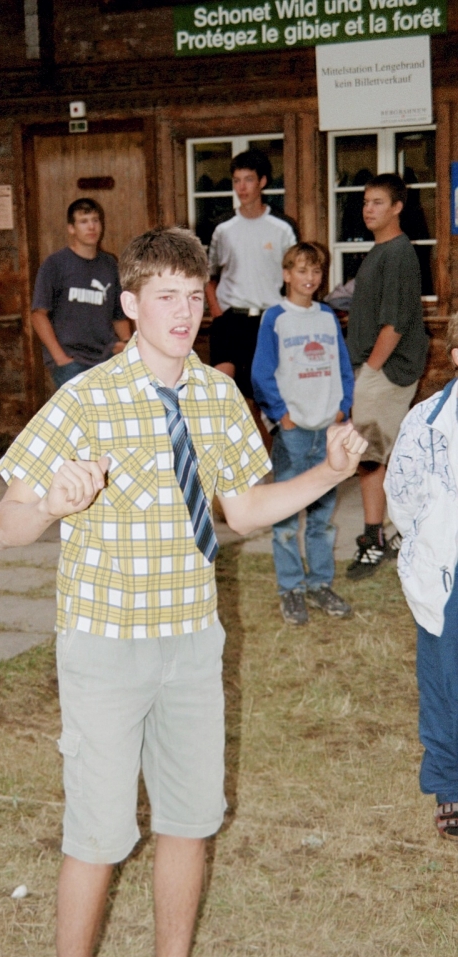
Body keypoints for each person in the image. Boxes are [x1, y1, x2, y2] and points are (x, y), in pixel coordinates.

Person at [0, 226, 367, 957]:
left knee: (189, 823)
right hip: (105, 646)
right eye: (166, 297)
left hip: (192, 642)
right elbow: (4, 527)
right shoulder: (85, 399)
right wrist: (50, 506)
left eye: (195, 297)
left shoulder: (218, 396)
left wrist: (328, 473)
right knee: (97, 837)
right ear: (130, 304)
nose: (185, 313)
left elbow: (243, 511)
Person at [252, 242, 355, 626]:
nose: (309, 278)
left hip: (328, 429)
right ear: (286, 274)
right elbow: (261, 373)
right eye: (301, 270)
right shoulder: (275, 318)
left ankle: (320, 583)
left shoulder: (327, 316)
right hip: (294, 432)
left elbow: (342, 367)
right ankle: (291, 589)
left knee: (322, 517)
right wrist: (282, 416)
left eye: (315, 271)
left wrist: (343, 407)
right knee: (285, 516)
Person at [385, 316, 458, 840]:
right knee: (443, 681)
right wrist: (432, 543)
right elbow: (402, 497)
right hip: (446, 569)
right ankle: (449, 780)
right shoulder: (426, 422)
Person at [345, 173, 429, 580]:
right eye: (365, 202)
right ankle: (391, 533)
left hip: (384, 371)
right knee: (377, 457)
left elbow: (395, 324)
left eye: (378, 202)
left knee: (369, 457)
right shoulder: (381, 251)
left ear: (397, 207)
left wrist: (370, 371)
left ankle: (374, 540)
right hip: (372, 369)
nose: (368, 209)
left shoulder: (398, 253)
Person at [205, 148, 297, 402]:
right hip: (229, 320)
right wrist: (218, 314)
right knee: (222, 395)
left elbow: (296, 278)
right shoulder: (222, 227)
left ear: (262, 181)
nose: (241, 187)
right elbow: (208, 276)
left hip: (269, 320)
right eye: (236, 181)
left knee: (263, 398)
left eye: (248, 180)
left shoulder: (283, 227)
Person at [30, 198, 131, 389]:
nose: (91, 227)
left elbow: (119, 315)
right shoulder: (55, 264)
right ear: (71, 228)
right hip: (72, 360)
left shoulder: (110, 265)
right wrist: (60, 358)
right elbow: (38, 315)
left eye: (95, 220)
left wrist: (126, 344)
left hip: (106, 357)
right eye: (84, 222)